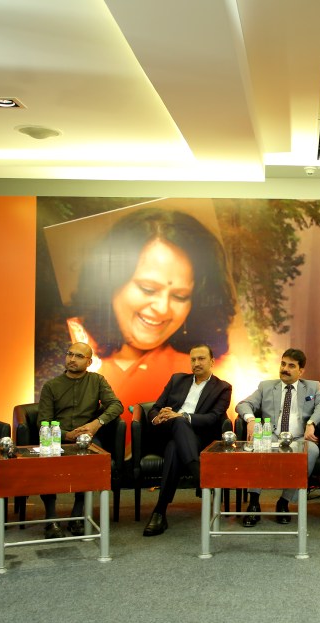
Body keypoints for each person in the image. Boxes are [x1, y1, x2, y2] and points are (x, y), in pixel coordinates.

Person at [65, 207, 236, 429]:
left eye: (180, 296)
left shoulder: (208, 367)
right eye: (147, 289)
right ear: (110, 284)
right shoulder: (66, 339)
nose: (162, 309)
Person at [142, 343, 232, 537]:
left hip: (196, 438)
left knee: (175, 445)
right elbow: (155, 408)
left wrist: (182, 416)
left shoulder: (222, 388)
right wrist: (159, 417)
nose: (196, 363)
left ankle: (159, 511)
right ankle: (199, 474)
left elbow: (213, 418)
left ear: (212, 362)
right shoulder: (177, 379)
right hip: (165, 431)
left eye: (201, 359)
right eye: (193, 359)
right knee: (178, 424)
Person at [235, 348, 320, 527]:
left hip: (298, 438)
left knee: (312, 450)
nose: (285, 369)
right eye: (283, 364)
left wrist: (311, 423)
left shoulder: (312, 387)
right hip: (271, 435)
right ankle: (254, 503)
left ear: (301, 371)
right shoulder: (266, 387)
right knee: (257, 445)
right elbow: (244, 404)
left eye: (291, 366)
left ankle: (284, 502)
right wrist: (250, 420)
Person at [36, 342, 123, 539]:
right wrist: (66, 435)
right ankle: (51, 518)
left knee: (92, 457)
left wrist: (96, 424)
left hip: (86, 438)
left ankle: (77, 515)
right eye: (70, 354)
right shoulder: (51, 386)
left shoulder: (97, 381)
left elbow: (116, 405)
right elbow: (43, 422)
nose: (72, 359)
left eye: (78, 356)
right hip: (58, 437)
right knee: (47, 461)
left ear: (89, 362)